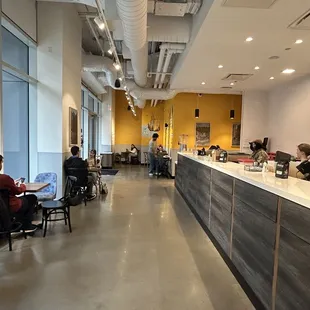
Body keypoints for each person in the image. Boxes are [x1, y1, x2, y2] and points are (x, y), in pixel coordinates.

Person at [0, 155, 38, 233]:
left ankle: (17, 223)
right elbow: (17, 191)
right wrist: (22, 185)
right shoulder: (5, 178)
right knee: (31, 198)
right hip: (10, 205)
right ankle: (27, 226)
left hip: (2, 207)